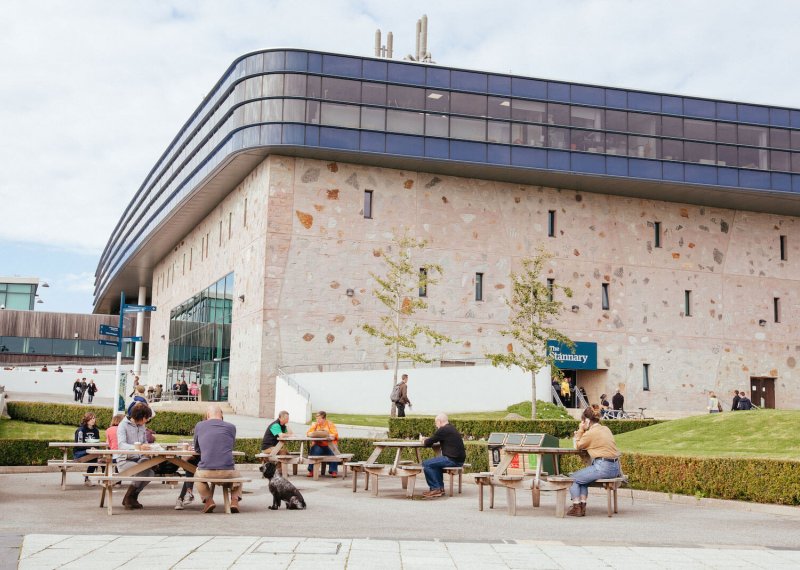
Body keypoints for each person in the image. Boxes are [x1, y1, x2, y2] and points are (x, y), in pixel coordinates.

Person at [567, 406, 621, 517]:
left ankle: (577, 507)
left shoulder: (590, 433)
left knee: (572, 479)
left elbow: (577, 446)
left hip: (603, 467)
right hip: (615, 468)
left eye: (583, 421)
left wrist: (581, 430)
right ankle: (581, 506)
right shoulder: (606, 429)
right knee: (582, 480)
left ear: (586, 420)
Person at [193, 404, 243, 513]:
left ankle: (208, 500)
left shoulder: (199, 425)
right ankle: (234, 501)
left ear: (207, 415)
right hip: (227, 471)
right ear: (222, 415)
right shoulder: (231, 427)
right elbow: (230, 445)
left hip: (206, 471)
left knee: (196, 476)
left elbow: (197, 448)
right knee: (238, 475)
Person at [116, 403, 155, 509]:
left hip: (139, 459)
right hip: (125, 460)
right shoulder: (123, 425)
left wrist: (147, 447)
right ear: (140, 417)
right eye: (146, 418)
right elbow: (121, 445)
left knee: (151, 473)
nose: (147, 420)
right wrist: (137, 448)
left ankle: (132, 496)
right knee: (143, 469)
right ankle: (129, 497)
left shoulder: (142, 426)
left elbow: (144, 442)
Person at [419, 413, 466, 500]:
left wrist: (422, 440)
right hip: (459, 460)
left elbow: (427, 443)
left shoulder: (443, 430)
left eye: (436, 423)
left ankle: (435, 489)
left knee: (426, 464)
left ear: (439, 421)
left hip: (452, 460)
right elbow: (434, 439)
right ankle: (440, 489)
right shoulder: (450, 428)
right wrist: (428, 439)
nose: (436, 425)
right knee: (435, 465)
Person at [306, 411, 339, 478]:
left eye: (319, 418)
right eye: (316, 418)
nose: (317, 420)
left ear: (324, 419)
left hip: (329, 445)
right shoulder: (315, 425)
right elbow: (308, 433)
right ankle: (311, 470)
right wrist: (313, 434)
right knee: (314, 449)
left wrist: (327, 434)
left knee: (334, 451)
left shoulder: (330, 424)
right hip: (319, 445)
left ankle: (333, 471)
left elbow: (335, 434)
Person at [74, 412, 101, 486]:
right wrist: (90, 448)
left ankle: (104, 478)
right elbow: (78, 445)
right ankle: (87, 479)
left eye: (94, 418)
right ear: (86, 420)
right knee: (96, 456)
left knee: (103, 458)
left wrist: (95, 449)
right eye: (91, 418)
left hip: (93, 453)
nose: (93, 420)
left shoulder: (96, 430)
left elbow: (97, 443)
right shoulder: (80, 430)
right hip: (80, 452)